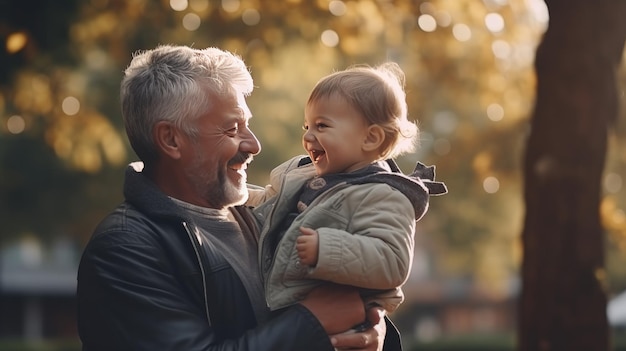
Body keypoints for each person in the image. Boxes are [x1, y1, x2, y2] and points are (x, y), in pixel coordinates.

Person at [76, 44, 394, 351]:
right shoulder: (124, 249)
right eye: (232, 129)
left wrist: (372, 333)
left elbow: (338, 304)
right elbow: (316, 316)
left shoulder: (265, 216)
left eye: (248, 125)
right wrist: (310, 323)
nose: (253, 145)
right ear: (171, 139)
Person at [247, 63, 447, 327]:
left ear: (370, 138)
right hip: (285, 311)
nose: (308, 136)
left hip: (338, 324)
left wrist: (326, 249)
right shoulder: (302, 175)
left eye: (321, 126)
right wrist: (234, 196)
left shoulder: (384, 196)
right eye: (306, 126)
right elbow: (268, 205)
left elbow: (392, 261)